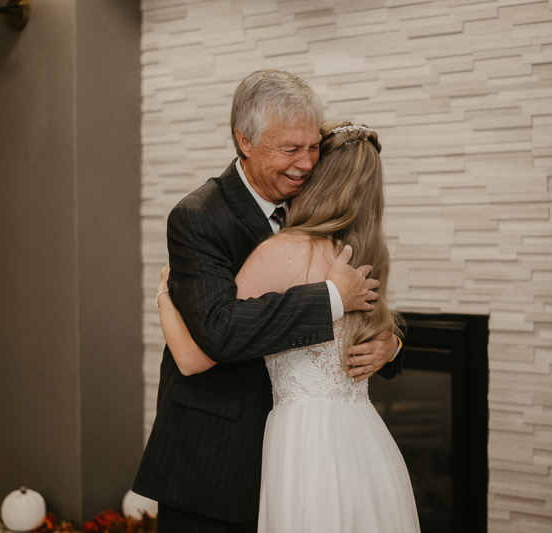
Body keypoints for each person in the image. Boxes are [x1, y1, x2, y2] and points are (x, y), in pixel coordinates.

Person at [132, 70, 403, 533]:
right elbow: (219, 332)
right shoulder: (199, 218)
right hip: (217, 458)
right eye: (289, 149)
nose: (305, 163)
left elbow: (374, 305)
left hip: (308, 459)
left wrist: (392, 343)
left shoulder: (326, 215)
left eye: (313, 146)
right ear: (245, 141)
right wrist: (331, 298)